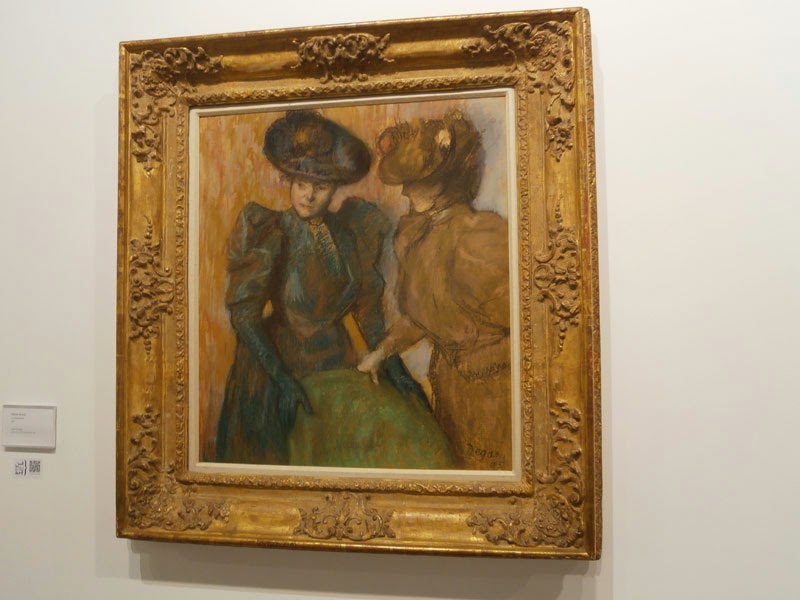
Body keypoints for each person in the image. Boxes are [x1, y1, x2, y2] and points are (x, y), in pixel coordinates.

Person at [215, 110, 434, 466]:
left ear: (334, 189)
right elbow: (244, 317)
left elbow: (368, 312)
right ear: (290, 182)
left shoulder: (350, 234)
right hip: (278, 371)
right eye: (302, 184)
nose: (309, 196)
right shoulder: (272, 231)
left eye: (320, 187)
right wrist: (282, 379)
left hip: (336, 365)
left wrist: (395, 369)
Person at [358, 110, 513, 470]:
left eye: (415, 183)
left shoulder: (479, 238)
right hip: (450, 387)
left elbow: (528, 324)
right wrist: (381, 352)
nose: (405, 191)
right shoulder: (420, 236)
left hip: (495, 391)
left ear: (445, 183)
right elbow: (424, 315)